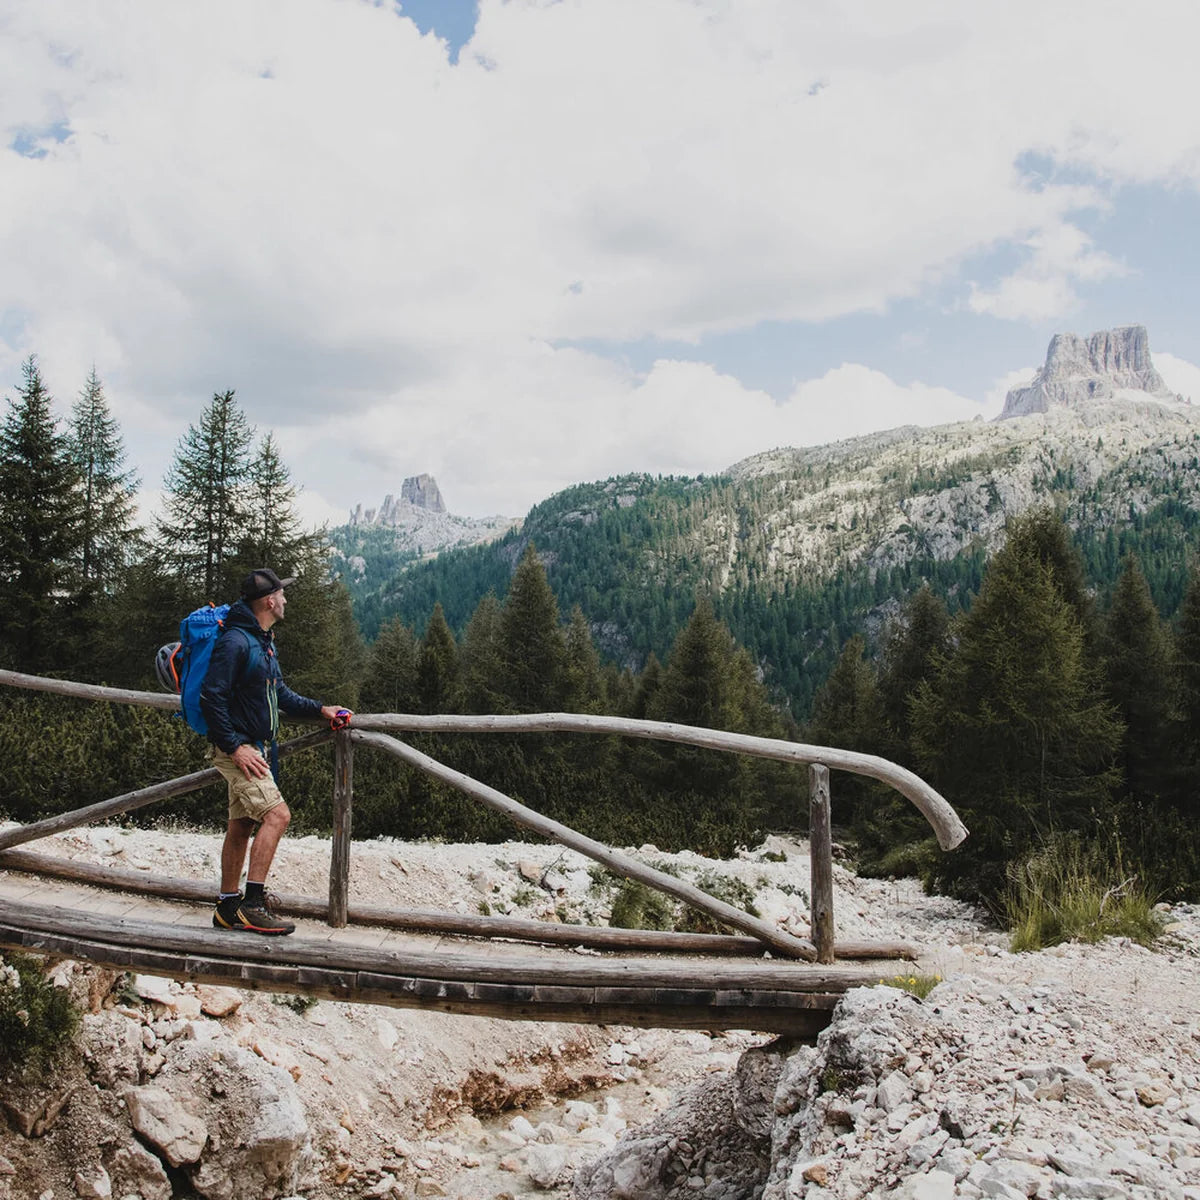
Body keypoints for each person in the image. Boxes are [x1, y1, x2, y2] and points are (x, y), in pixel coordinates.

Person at [201, 568, 352, 935]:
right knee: (277, 816)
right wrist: (236, 748)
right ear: (269, 601)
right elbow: (211, 697)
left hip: (253, 746)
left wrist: (320, 709)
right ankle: (252, 905)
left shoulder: (262, 640)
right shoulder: (236, 642)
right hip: (240, 749)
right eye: (282, 594)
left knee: (241, 825)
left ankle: (226, 907)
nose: (286, 599)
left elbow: (279, 694)